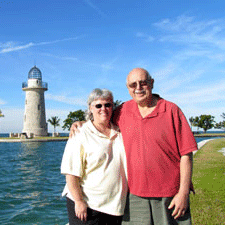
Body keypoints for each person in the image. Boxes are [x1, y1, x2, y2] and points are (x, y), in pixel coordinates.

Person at [70, 68, 197, 225]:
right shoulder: (122, 111)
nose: (138, 88)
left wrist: (183, 192)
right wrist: (82, 124)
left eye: (143, 83)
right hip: (134, 197)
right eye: (133, 85)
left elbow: (186, 154)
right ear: (127, 88)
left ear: (152, 83)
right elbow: (102, 117)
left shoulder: (172, 110)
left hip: (169, 194)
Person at [61, 88, 128, 225]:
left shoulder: (120, 132)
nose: (103, 109)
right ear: (90, 108)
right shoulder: (80, 133)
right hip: (88, 207)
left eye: (108, 105)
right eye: (98, 105)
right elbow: (71, 173)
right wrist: (79, 201)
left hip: (115, 208)